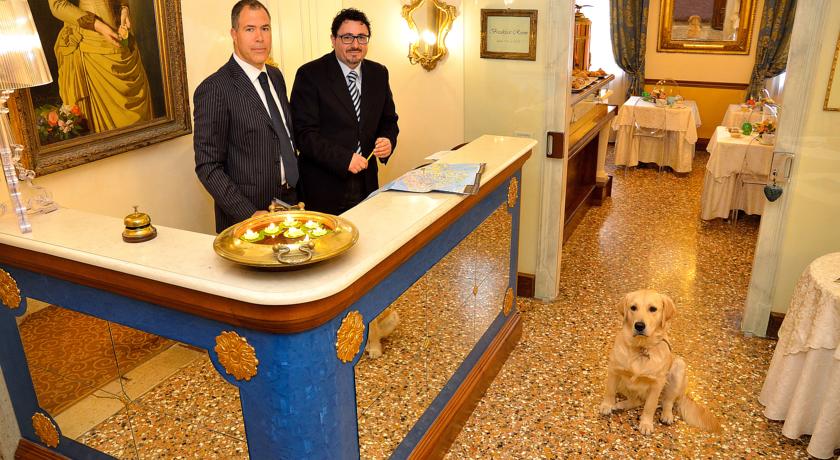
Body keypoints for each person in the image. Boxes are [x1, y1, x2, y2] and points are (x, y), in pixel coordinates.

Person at [194, 0, 299, 233]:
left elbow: (283, 137)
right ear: (234, 34)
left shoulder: (275, 76)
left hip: (289, 203)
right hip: (248, 218)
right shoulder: (215, 89)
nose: (260, 38)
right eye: (250, 29)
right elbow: (208, 166)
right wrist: (249, 214)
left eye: (265, 28)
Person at [290, 8, 399, 215]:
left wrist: (388, 140)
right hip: (324, 189)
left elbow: (389, 120)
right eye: (347, 37)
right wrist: (344, 159)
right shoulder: (310, 74)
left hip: (367, 184)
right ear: (333, 40)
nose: (355, 45)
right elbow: (304, 135)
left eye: (361, 37)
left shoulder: (379, 73)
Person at [48, 0, 152, 133]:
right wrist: (99, 26)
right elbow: (57, 5)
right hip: (90, 45)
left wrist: (124, 9)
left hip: (121, 40)